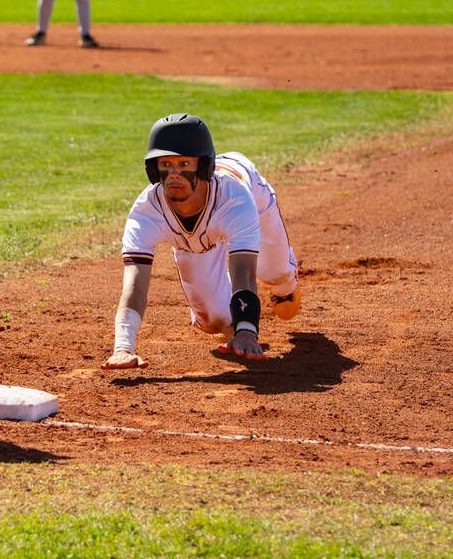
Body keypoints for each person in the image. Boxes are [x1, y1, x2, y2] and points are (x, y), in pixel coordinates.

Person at [101, 114, 302, 369]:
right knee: (213, 321)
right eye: (166, 163)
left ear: (204, 165)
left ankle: (285, 284)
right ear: (153, 168)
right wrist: (123, 347)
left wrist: (247, 331)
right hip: (196, 241)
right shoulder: (147, 213)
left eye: (184, 163)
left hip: (252, 195)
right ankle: (232, 320)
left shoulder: (235, 200)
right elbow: (134, 285)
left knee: (272, 272)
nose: (174, 174)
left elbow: (243, 274)